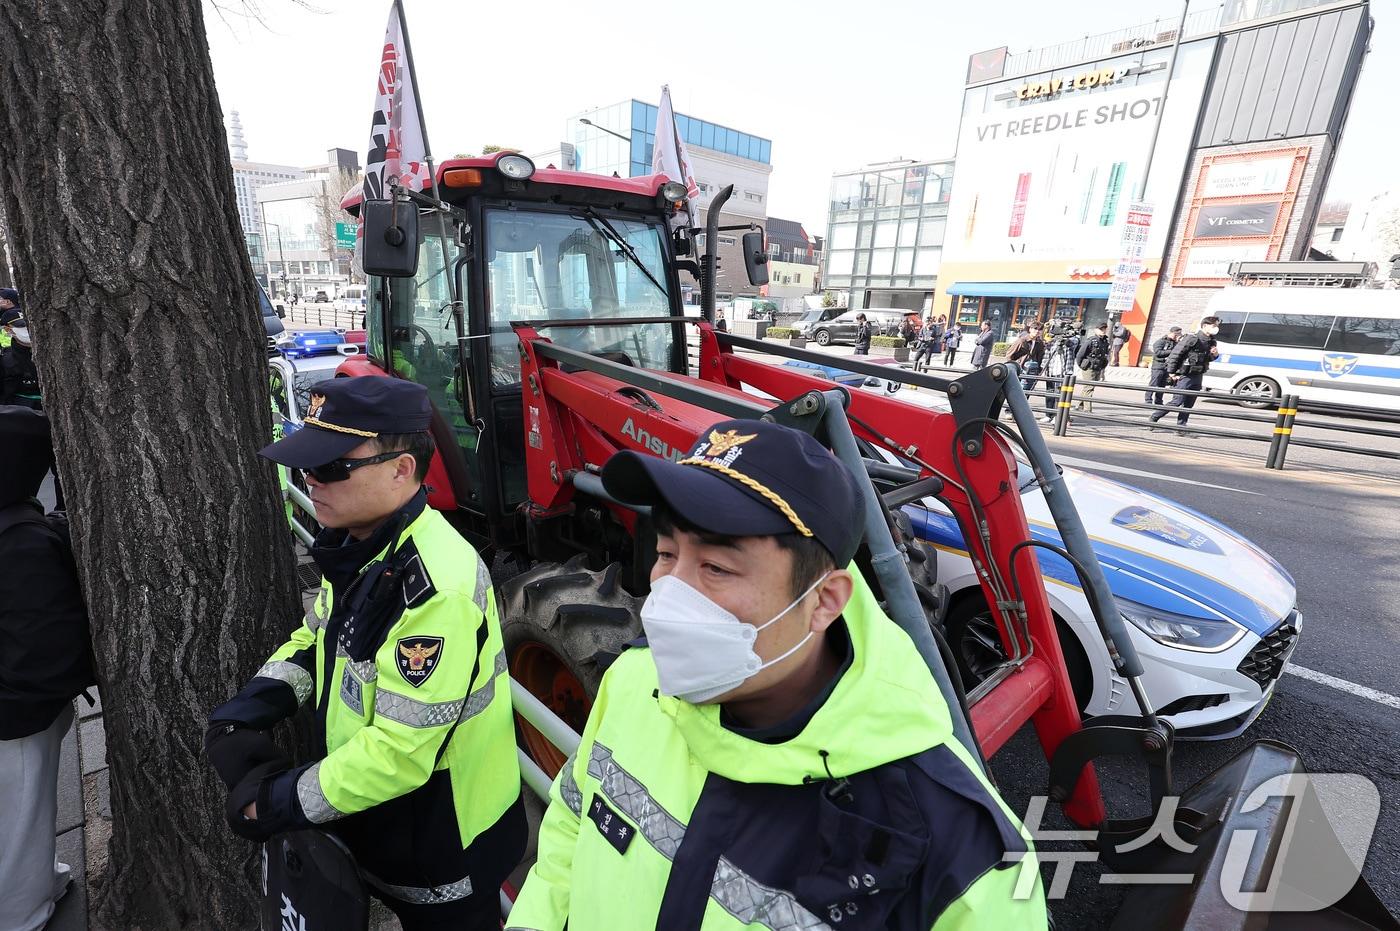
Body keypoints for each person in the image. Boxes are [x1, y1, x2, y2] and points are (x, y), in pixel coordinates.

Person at [506, 419, 1045, 931]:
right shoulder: (631, 684)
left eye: (716, 567)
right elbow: (568, 833)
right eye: (666, 553)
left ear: (823, 601)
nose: (670, 594)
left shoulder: (959, 846)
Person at [204, 377, 525, 930]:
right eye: (308, 465)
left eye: (331, 467)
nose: (311, 479)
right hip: (387, 817)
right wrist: (257, 702)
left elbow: (399, 753)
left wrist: (277, 801)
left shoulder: (435, 586)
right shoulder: (362, 542)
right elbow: (321, 637)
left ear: (402, 470)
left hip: (443, 838)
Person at [0, 406, 94, 931]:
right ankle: (23, 913)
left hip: (14, 703)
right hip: (16, 718)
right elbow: (43, 656)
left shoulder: (18, 536)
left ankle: (34, 885)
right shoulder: (22, 542)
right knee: (20, 819)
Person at [1152, 316, 1221, 429]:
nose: (1216, 328)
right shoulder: (1192, 338)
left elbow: (1207, 359)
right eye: (1213, 326)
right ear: (1205, 326)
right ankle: (1155, 417)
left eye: (1217, 326)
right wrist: (1171, 372)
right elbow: (1176, 354)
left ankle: (1181, 426)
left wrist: (1214, 355)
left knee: (1189, 403)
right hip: (1185, 375)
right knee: (1177, 401)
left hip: (1198, 375)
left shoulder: (1211, 342)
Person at [1007, 322, 1054, 422]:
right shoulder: (1022, 340)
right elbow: (1009, 354)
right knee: (1016, 390)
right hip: (1020, 368)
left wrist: (1038, 369)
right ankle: (1009, 410)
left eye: (1039, 330)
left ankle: (1019, 411)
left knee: (1027, 391)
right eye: (1035, 329)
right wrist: (1013, 366)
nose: (1037, 331)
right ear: (1030, 329)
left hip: (1031, 370)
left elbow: (1040, 357)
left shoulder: (1039, 343)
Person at [1, 314, 42, 409]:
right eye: (22, 326)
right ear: (8, 330)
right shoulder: (5, 360)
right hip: (21, 413)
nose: (28, 329)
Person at [1074, 322, 1110, 411]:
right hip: (1089, 367)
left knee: (1088, 387)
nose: (1103, 331)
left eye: (1104, 329)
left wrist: (1103, 368)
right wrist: (1082, 365)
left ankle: (1079, 405)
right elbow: (1080, 354)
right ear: (1096, 330)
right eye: (1101, 329)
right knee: (1089, 387)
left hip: (1098, 367)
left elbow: (1105, 355)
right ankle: (1087, 409)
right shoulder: (1091, 340)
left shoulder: (1105, 341)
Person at [1145, 326, 1183, 410]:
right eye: (1176, 334)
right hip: (1158, 366)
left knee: (1162, 385)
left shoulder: (1176, 343)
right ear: (1171, 333)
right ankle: (1148, 400)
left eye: (1179, 334)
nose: (1177, 336)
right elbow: (1158, 353)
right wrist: (1171, 352)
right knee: (1154, 384)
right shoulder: (1161, 341)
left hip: (1168, 367)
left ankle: (1158, 401)